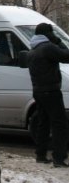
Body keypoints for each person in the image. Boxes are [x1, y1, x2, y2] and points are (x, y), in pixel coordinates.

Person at [27, 22, 69, 167]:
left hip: (38, 91)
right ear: (47, 34)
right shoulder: (48, 48)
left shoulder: (33, 50)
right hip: (51, 91)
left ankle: (40, 154)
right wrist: (59, 41)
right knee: (60, 125)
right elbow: (67, 56)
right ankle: (58, 158)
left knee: (43, 123)